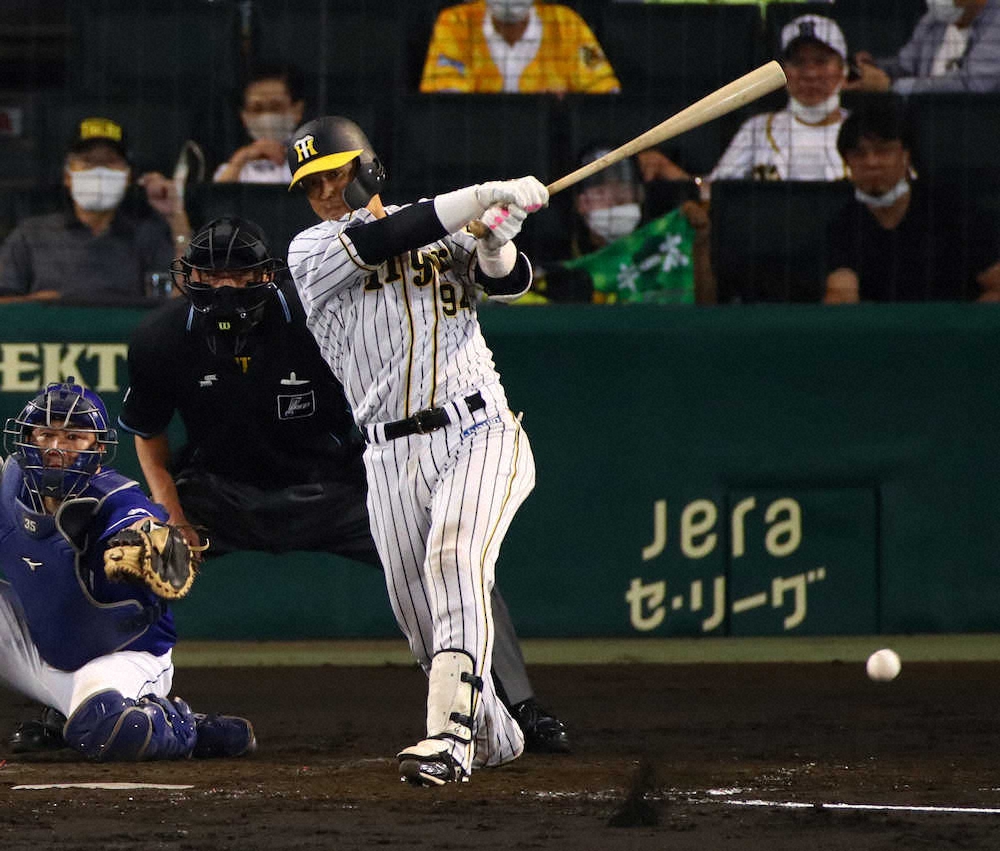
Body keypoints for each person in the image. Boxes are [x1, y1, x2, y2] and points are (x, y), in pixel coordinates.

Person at [110, 216, 568, 757]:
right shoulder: (160, 338)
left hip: (338, 485)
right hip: (218, 493)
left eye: (241, 275)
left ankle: (517, 705)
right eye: (211, 277)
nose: (226, 290)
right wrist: (172, 516)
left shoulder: (317, 317)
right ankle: (90, 701)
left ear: (268, 276)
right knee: (126, 557)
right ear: (188, 278)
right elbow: (149, 438)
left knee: (458, 565)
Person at [285, 115, 551, 786]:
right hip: (388, 456)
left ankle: (447, 737)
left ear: (370, 168)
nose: (322, 191)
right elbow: (388, 237)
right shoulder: (311, 251)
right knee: (422, 623)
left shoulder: (440, 224)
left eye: (335, 173)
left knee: (455, 555)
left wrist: (494, 241)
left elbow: (506, 281)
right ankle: (492, 734)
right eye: (310, 181)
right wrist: (485, 195)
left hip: (478, 427)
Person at [0, 379, 255, 762]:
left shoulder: (115, 498)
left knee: (111, 731)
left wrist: (151, 541)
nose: (55, 448)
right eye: (46, 434)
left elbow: (142, 524)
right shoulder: (10, 483)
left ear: (98, 449)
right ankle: (67, 711)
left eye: (73, 437)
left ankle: (185, 726)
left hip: (120, 654)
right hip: (35, 644)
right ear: (27, 439)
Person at [638, 14, 850, 185]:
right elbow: (718, 196)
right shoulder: (756, 130)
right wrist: (668, 170)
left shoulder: (861, 131)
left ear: (843, 70)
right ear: (784, 72)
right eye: (799, 62)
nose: (810, 74)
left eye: (821, 62)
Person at [824, 99, 1000, 303]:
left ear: (906, 156)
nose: (871, 162)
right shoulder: (842, 227)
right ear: (848, 163)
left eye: (883, 150)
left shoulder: (953, 212)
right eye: (859, 154)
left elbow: (996, 286)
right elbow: (841, 295)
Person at [0, 117, 192, 304]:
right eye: (88, 161)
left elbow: (183, 300)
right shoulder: (31, 235)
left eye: (110, 161)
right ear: (68, 175)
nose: (99, 172)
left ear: (127, 176)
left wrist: (176, 217)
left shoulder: (147, 235)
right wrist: (33, 304)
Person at [533, 145, 716, 304]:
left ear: (640, 196)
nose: (614, 202)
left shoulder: (662, 238)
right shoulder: (556, 258)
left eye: (622, 195)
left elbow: (707, 311)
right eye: (602, 193)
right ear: (580, 203)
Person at [420, 0, 621, 94]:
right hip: (476, 149)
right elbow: (443, 98)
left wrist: (567, 104)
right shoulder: (455, 21)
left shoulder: (567, 24)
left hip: (549, 152)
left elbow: (606, 92)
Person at [845, 0, 1000, 95]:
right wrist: (872, 68)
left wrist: (891, 87)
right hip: (925, 120)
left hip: (976, 129)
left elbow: (970, 86)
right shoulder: (936, 17)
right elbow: (906, 66)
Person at [213, 65, 306, 184]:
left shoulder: (317, 161)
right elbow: (219, 197)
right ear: (244, 117)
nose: (267, 116)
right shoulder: (232, 169)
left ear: (297, 110)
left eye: (276, 107)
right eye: (257, 109)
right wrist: (240, 160)